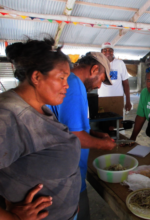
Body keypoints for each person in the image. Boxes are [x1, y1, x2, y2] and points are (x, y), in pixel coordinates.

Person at [0, 38, 81, 220]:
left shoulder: (38, 107)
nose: (66, 85)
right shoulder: (8, 116)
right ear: (37, 77)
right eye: (61, 77)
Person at [48, 52, 116, 220]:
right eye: (101, 79)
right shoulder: (74, 86)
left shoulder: (68, 82)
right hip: (68, 172)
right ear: (94, 69)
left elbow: (66, 125)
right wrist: (103, 145)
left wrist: (92, 133)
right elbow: (73, 135)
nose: (99, 86)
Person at [99, 42, 132, 112]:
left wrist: (128, 101)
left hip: (118, 99)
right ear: (101, 52)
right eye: (105, 50)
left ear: (113, 52)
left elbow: (126, 84)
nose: (108, 52)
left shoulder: (120, 63)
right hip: (101, 98)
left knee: (118, 121)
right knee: (103, 121)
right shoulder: (98, 64)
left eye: (110, 50)